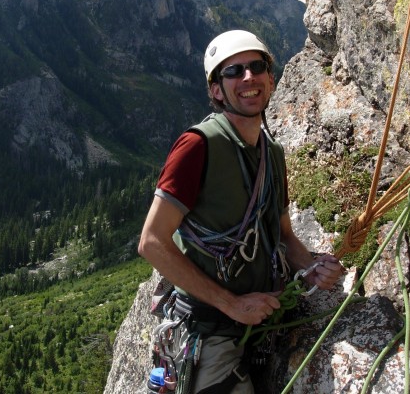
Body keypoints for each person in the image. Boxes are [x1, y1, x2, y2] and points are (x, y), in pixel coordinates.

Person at [138, 30, 344, 393]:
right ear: (216, 90)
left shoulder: (273, 154)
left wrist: (311, 267)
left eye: (257, 67)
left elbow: (284, 236)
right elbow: (152, 242)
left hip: (261, 318)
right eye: (233, 72)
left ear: (270, 78)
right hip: (211, 327)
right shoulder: (197, 146)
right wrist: (232, 304)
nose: (248, 78)